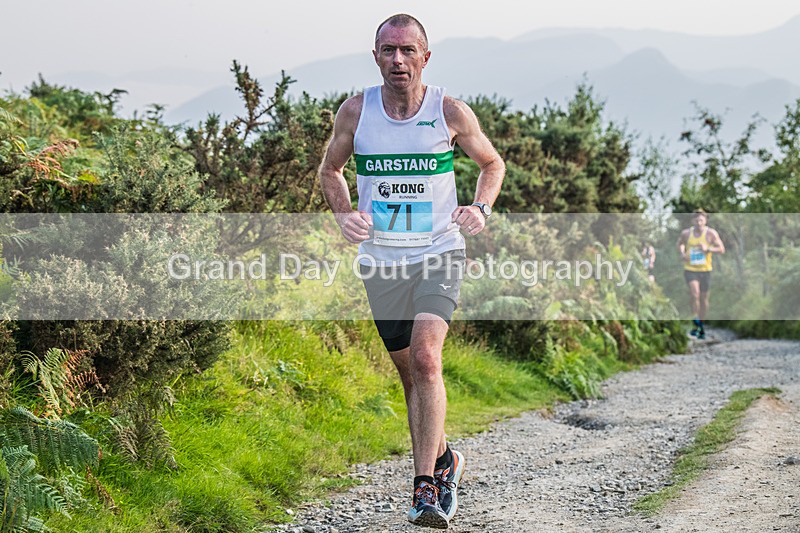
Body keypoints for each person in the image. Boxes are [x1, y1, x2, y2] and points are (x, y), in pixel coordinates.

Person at [319, 13, 505, 529]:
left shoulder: (449, 110)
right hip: (381, 261)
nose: (397, 60)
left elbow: (492, 164)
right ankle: (445, 458)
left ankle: (427, 487)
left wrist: (480, 208)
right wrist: (343, 213)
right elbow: (329, 169)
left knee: (426, 358)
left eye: (407, 50)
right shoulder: (356, 112)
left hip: (439, 251)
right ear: (375, 56)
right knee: (411, 376)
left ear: (426, 56)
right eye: (387, 50)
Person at [677, 209, 725, 340]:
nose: (699, 223)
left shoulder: (711, 234)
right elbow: (680, 243)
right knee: (695, 294)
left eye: (701, 220)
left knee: (704, 299)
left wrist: (708, 249)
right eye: (697, 220)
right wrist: (682, 254)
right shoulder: (687, 233)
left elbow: (721, 249)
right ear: (693, 221)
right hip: (690, 269)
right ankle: (695, 322)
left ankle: (701, 325)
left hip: (706, 270)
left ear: (705, 221)